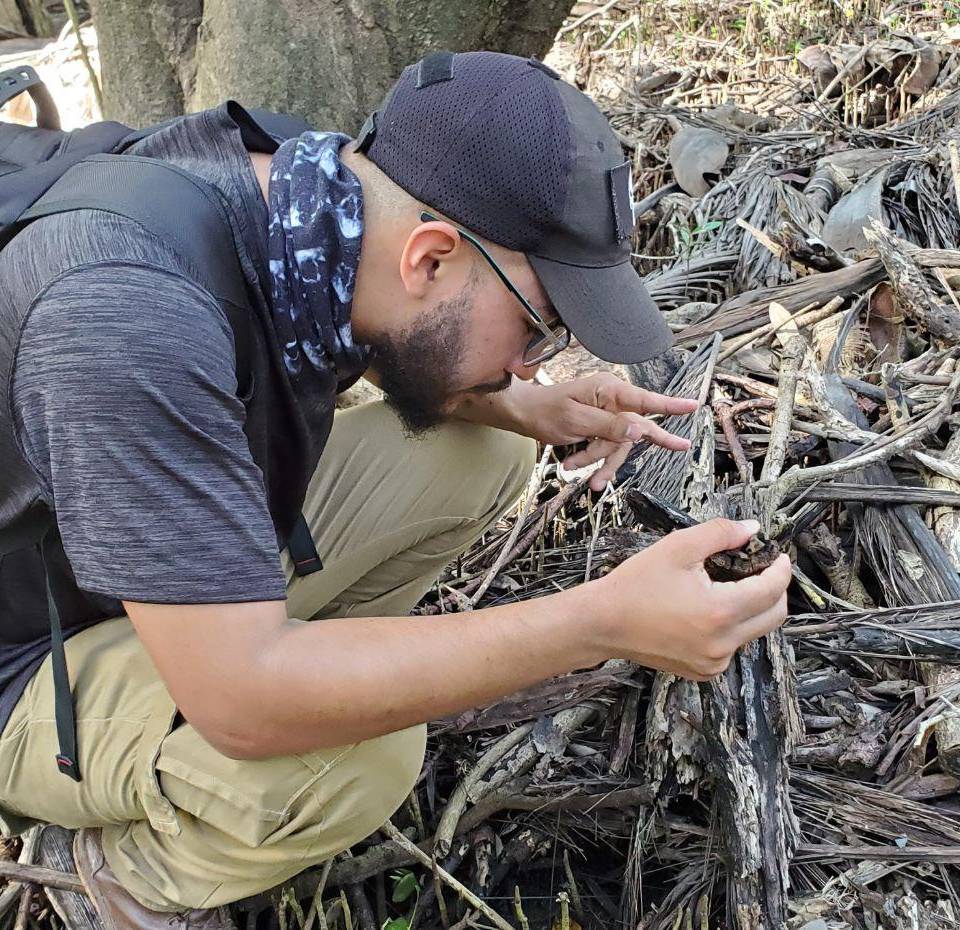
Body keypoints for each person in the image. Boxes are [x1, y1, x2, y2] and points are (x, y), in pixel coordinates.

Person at [0, 50, 791, 928]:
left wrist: (522, 404)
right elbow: (241, 704)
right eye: (537, 330)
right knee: (352, 758)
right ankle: (107, 877)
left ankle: (286, 674)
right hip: (26, 652)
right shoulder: (124, 314)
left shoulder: (313, 195)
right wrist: (599, 624)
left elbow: (376, 332)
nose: (535, 362)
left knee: (473, 455)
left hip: (122, 566)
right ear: (430, 257)